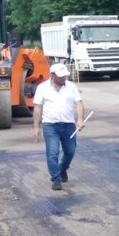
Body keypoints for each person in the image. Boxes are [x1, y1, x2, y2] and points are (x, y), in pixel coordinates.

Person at [33, 63, 85, 191]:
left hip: (68, 125)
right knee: (52, 152)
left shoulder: (71, 86)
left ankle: (62, 169)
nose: (64, 78)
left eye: (65, 75)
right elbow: (37, 108)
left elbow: (78, 103)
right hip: (50, 125)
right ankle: (56, 179)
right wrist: (36, 127)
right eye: (61, 76)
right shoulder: (42, 88)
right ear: (52, 75)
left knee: (70, 151)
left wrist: (80, 119)